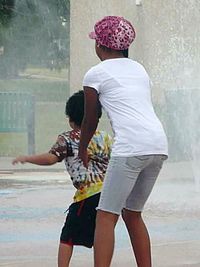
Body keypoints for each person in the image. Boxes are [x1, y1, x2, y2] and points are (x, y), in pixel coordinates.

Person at [78, 16, 168, 267]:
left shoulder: (95, 73)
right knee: (132, 213)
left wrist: (83, 147)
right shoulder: (138, 68)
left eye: (96, 41)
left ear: (101, 46)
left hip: (131, 147)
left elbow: (90, 119)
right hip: (158, 146)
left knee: (106, 216)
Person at [12, 90, 112, 267]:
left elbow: (51, 158)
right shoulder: (105, 137)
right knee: (100, 235)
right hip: (109, 196)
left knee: (67, 237)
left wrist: (27, 158)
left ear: (71, 119)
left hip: (87, 196)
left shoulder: (68, 138)